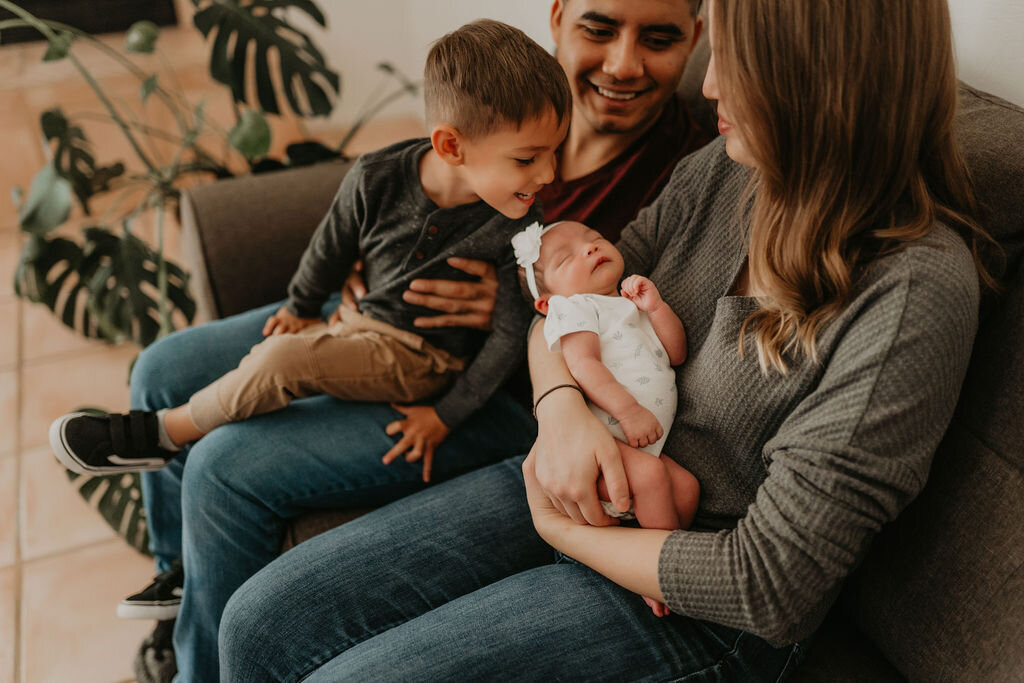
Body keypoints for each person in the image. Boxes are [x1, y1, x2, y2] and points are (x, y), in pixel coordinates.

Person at [214, 0, 993, 680]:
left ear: (820, 78)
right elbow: (556, 304)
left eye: (736, 59)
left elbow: (768, 586)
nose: (711, 83)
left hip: (698, 602)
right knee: (257, 620)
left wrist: (558, 527)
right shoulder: (723, 174)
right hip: (579, 472)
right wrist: (559, 409)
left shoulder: (912, 294)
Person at [123, 1, 710, 680]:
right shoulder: (515, 97)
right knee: (163, 369)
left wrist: (514, 311)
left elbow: (623, 334)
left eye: (660, 38)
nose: (622, 64)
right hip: (385, 317)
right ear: (556, 18)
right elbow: (401, 187)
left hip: (495, 390)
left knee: (224, 464)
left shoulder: (683, 172)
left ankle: (194, 662)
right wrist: (368, 256)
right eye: (599, 28)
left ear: (695, 38)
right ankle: (181, 589)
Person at [48, 19, 570, 486]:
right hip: (353, 322)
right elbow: (332, 242)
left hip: (423, 359)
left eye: (554, 153)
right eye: (528, 158)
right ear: (451, 146)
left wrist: (445, 416)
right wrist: (300, 306)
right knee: (180, 364)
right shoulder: (375, 176)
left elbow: (507, 337)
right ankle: (171, 564)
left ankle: (162, 434)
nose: (548, 175)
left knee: (282, 361)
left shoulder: (519, 226)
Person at [516, 219, 700, 617]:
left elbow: (677, 354)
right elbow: (583, 365)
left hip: (638, 444)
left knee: (685, 488)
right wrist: (627, 410)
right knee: (652, 478)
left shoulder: (628, 302)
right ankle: (653, 575)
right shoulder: (572, 309)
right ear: (546, 303)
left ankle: (646, 550)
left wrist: (657, 309)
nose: (589, 248)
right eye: (567, 257)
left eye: (595, 238)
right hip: (607, 443)